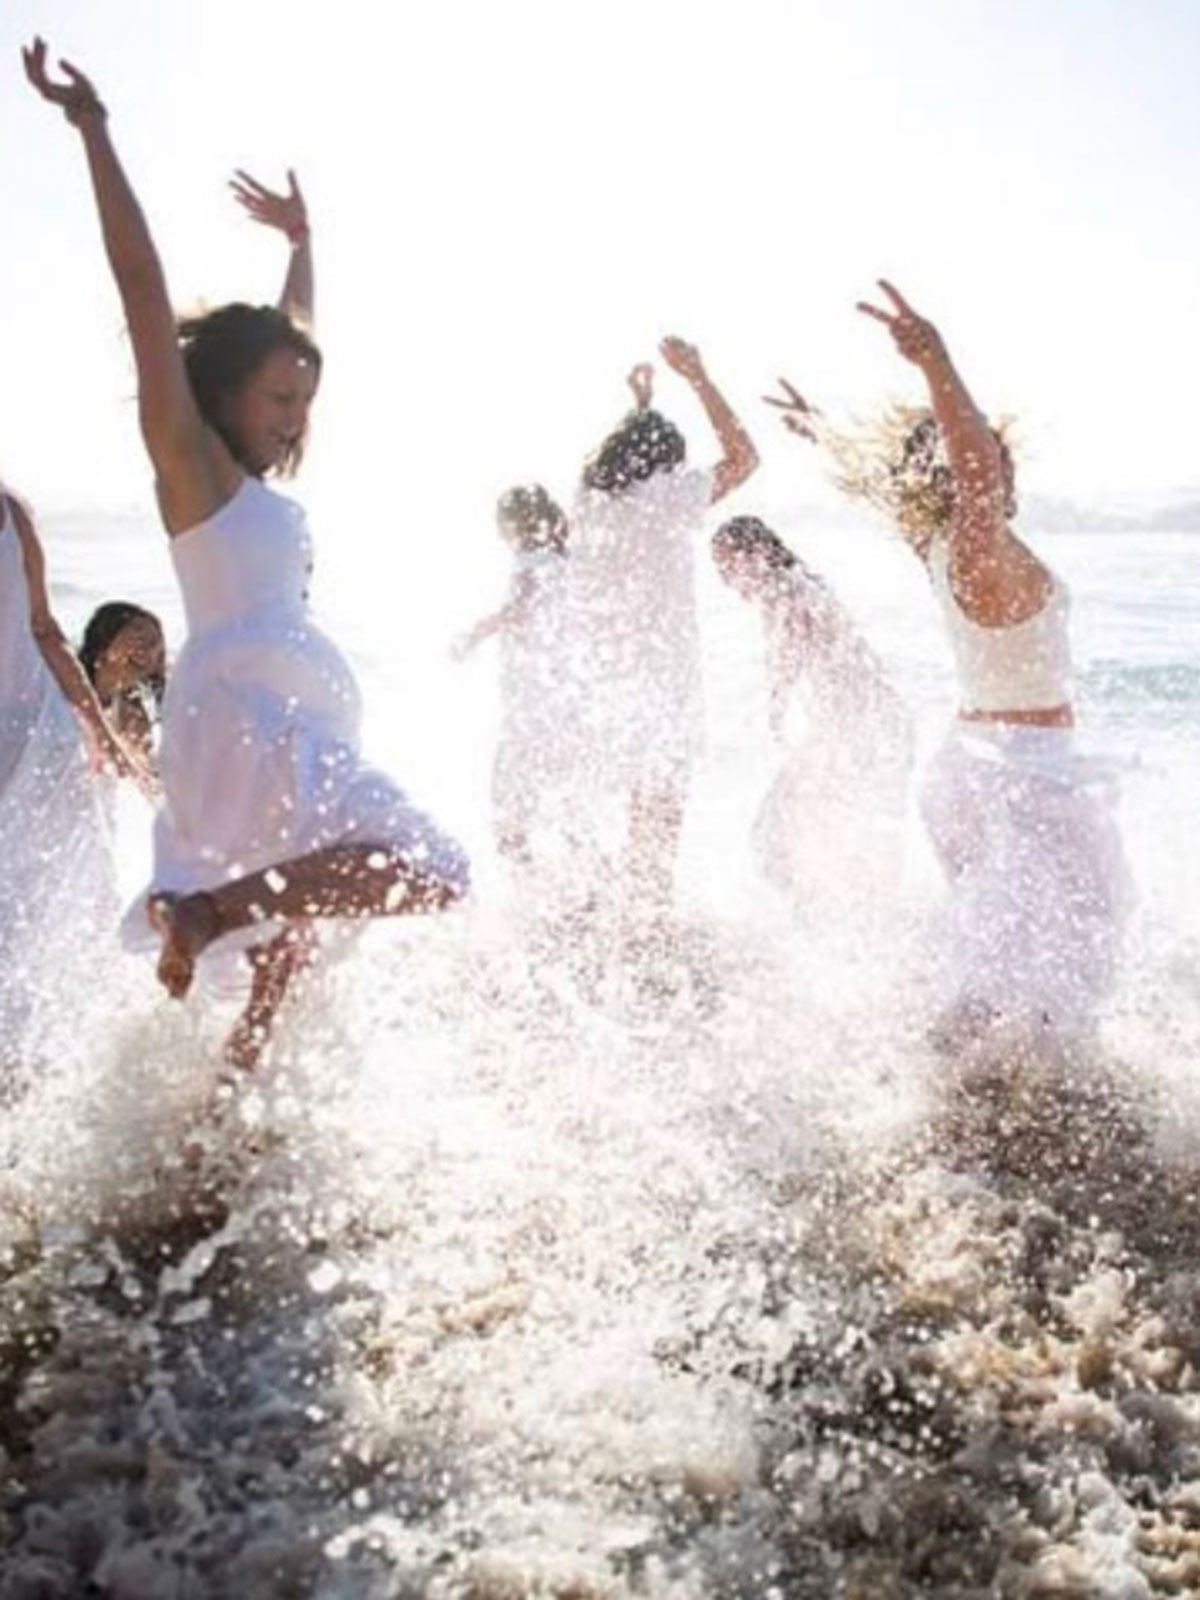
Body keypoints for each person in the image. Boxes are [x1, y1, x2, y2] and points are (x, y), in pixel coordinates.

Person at [24, 39, 469, 1071]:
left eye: (304, 400)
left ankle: (217, 1128)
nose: (294, 416)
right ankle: (210, 910)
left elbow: (292, 336)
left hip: (270, 711)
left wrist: (303, 244)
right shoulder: (194, 472)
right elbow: (142, 293)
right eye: (278, 398)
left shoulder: (255, 490)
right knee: (430, 867)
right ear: (219, 392)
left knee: (288, 956)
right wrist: (93, 130)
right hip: (245, 718)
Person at [767, 281, 1129, 1041]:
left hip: (975, 764)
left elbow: (903, 485)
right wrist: (936, 364)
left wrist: (819, 430)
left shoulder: (935, 543)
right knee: (1054, 962)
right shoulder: (973, 549)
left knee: (996, 956)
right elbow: (973, 478)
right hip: (1025, 772)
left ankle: (942, 1070)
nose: (1000, 469)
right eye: (991, 460)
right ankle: (973, 1072)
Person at [569, 343, 758, 907]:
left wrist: (641, 410)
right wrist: (700, 378)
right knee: (662, 792)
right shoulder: (671, 497)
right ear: (667, 463)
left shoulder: (588, 499)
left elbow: (629, 460)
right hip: (663, 665)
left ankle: (602, 894)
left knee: (616, 785)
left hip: (601, 666)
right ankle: (650, 902)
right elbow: (744, 457)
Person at [0, 485, 142, 1083]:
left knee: (26, 905)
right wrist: (100, 733)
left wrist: (104, 735)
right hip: (43, 736)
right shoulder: (12, 510)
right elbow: (45, 631)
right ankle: (43, 1064)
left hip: (36, 745)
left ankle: (24, 1064)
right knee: (42, 903)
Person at [711, 515, 912, 920]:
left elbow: (793, 653)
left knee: (775, 839)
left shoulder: (786, 592)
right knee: (816, 836)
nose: (726, 581)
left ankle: (827, 922)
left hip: (858, 733)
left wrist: (777, 706)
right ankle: (849, 919)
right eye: (720, 570)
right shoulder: (799, 585)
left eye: (729, 565)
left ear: (759, 553)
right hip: (866, 729)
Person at [453, 483, 574, 867]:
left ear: (512, 523)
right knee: (567, 792)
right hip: (561, 694)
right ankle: (581, 874)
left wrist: (474, 634)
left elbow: (520, 610)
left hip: (532, 701)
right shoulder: (563, 559)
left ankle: (523, 882)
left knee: (510, 801)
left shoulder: (530, 560)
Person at [79, 599, 166, 781]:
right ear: (103, 644)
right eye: (139, 638)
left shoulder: (132, 713)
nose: (147, 653)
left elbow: (148, 777)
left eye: (154, 645)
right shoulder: (63, 695)